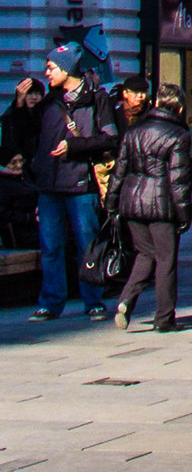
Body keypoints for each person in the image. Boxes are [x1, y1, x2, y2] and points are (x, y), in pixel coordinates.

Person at [26, 42, 117, 322]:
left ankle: (93, 301)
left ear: (66, 69)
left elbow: (110, 139)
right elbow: (27, 137)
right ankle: (51, 302)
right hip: (49, 187)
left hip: (80, 186)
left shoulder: (96, 99)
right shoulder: (49, 101)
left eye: (51, 67)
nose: (47, 72)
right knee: (50, 247)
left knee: (86, 244)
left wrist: (74, 146)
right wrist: (19, 108)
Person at [105, 83, 192, 332]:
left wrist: (111, 203)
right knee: (165, 260)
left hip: (132, 201)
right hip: (161, 204)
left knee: (145, 254)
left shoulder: (134, 130)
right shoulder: (178, 135)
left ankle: (125, 300)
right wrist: (185, 214)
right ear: (180, 107)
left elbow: (119, 171)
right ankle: (164, 318)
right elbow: (179, 180)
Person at [0, 146, 38, 249]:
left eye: (21, 161)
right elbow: (3, 213)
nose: (19, 165)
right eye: (13, 163)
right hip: (19, 232)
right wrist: (31, 217)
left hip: (36, 226)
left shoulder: (24, 178)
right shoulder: (3, 183)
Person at [1, 77, 44, 163]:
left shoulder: (45, 115)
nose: (34, 97)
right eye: (29, 93)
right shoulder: (9, 116)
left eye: (37, 94)